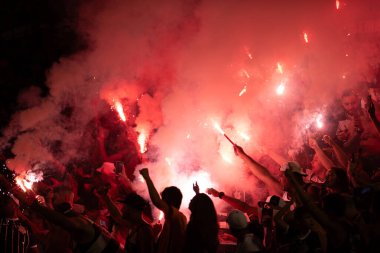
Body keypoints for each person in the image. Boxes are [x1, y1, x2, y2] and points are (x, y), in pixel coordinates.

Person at [139, 168, 187, 253]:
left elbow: (156, 201)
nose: (161, 202)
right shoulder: (172, 219)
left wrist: (147, 177)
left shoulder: (177, 216)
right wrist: (155, 234)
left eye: (163, 199)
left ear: (168, 201)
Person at [97, 188, 155, 253]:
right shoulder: (134, 226)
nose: (123, 210)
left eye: (125, 207)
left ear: (133, 209)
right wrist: (106, 197)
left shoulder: (144, 230)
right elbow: (117, 217)